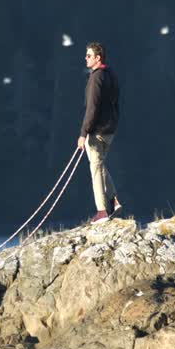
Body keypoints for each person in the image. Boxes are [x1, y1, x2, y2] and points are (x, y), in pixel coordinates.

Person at [78, 42, 121, 222]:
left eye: (89, 55)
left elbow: (92, 108)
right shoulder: (111, 74)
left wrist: (83, 133)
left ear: (98, 58)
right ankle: (114, 200)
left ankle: (102, 211)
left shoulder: (96, 78)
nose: (85, 58)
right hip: (110, 129)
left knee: (95, 167)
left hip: (97, 131)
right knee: (100, 164)